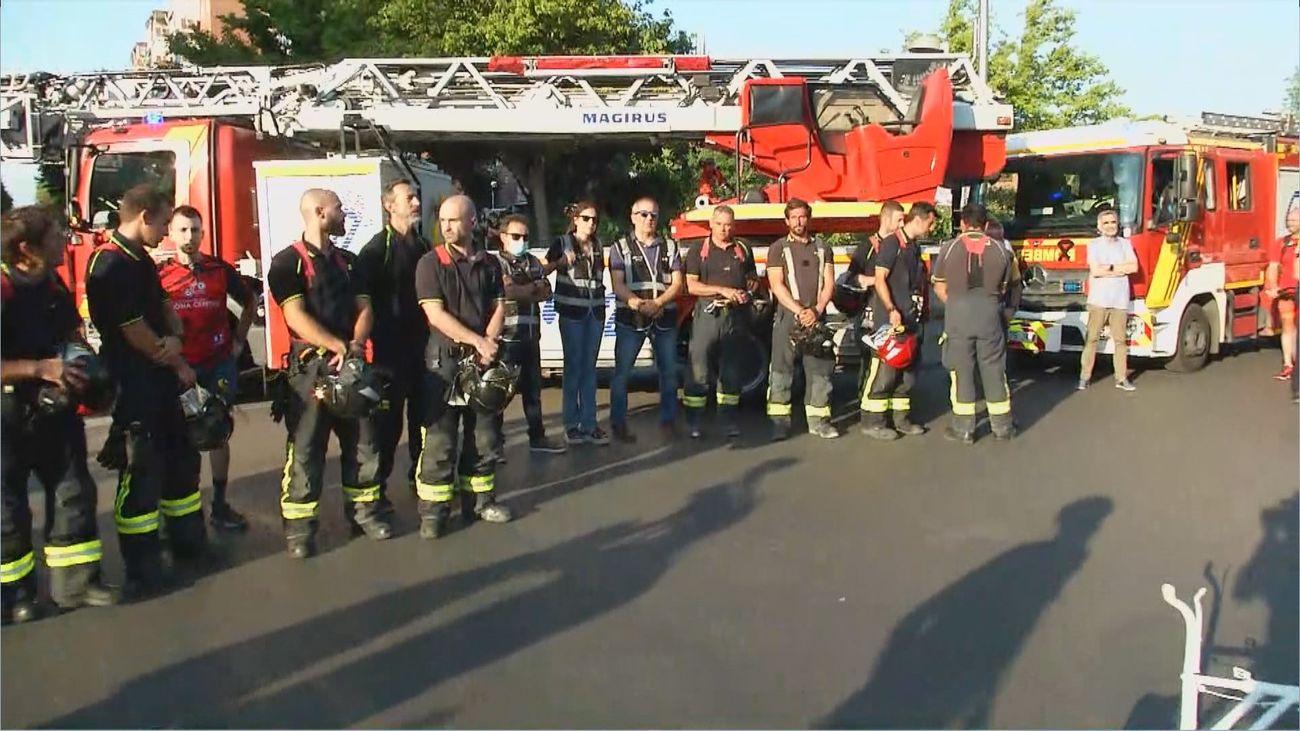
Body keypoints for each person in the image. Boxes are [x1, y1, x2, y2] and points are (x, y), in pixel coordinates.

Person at [85, 185, 205, 595]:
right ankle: (142, 563)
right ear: (144, 217)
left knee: (179, 458)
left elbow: (163, 307)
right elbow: (132, 329)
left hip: (159, 378)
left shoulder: (141, 261)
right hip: (134, 380)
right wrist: (176, 360)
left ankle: (187, 539)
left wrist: (175, 336)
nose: (169, 234)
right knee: (140, 471)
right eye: (165, 222)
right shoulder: (110, 264)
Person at [1, 206, 119, 623]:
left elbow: (71, 335)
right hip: (9, 413)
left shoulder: (52, 284)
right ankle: (14, 596)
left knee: (73, 492)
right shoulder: (2, 287)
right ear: (26, 248)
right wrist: (38, 369)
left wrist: (88, 369)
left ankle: (77, 584)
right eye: (55, 235)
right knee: (7, 507)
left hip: (57, 407)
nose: (64, 242)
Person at [265, 188, 389, 559]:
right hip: (311, 370)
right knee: (305, 448)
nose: (343, 213)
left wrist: (353, 345)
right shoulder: (286, 263)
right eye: (338, 208)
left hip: (351, 362)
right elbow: (295, 317)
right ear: (320, 213)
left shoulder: (350, 262)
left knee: (365, 442)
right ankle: (300, 531)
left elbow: (365, 307)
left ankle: (365, 512)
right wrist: (334, 345)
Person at [413, 195, 513, 539]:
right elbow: (435, 315)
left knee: (483, 437)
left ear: (472, 222)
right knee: (440, 440)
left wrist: (488, 343)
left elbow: (500, 306)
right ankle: (434, 513)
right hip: (444, 363)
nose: (447, 227)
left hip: (480, 361)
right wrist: (478, 342)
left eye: (454, 220)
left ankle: (481, 501)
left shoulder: (489, 264)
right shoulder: (430, 263)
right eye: (443, 221)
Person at [157, 205, 257, 532]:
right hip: (181, 368)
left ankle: (220, 504)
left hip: (217, 363)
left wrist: (239, 341)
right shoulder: (160, 276)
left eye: (195, 230)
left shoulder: (218, 269)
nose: (190, 236)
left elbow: (250, 302)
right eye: (183, 230)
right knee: (181, 438)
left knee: (216, 431)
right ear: (170, 233)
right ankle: (181, 510)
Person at [354, 180, 432, 498]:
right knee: (387, 427)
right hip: (388, 354)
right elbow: (362, 306)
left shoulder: (424, 247)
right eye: (409, 198)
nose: (415, 202)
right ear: (389, 206)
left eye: (417, 196)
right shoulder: (375, 251)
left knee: (424, 419)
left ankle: (423, 478)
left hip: (424, 350)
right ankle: (377, 491)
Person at [931, 203, 1020, 443]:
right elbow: (1009, 287)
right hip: (990, 315)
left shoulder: (949, 249)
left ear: (962, 223)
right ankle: (1003, 427)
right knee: (994, 370)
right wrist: (1005, 310)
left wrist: (956, 304)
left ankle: (964, 429)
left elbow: (939, 285)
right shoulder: (1003, 252)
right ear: (987, 224)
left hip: (958, 316)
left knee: (963, 371)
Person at [860, 201, 937, 440]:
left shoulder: (913, 247)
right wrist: (891, 309)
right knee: (884, 374)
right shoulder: (892, 244)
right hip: (890, 321)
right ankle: (873, 422)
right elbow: (880, 279)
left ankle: (901, 420)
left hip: (911, 322)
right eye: (931, 223)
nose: (932, 228)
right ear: (919, 220)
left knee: (908, 375)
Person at [609, 196, 684, 442]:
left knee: (669, 372)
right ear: (633, 217)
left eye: (653, 215)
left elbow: (677, 284)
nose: (649, 219)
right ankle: (619, 423)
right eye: (643, 214)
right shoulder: (619, 248)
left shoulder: (670, 247)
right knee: (622, 373)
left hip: (664, 316)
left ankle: (668, 421)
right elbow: (617, 285)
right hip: (632, 318)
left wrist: (659, 303)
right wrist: (641, 305)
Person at [489, 213, 566, 455]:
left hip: (531, 336)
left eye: (525, 236)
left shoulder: (532, 261)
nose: (521, 240)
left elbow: (546, 290)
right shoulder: (495, 263)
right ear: (502, 238)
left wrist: (527, 289)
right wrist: (531, 288)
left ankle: (538, 437)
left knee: (533, 391)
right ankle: (494, 444)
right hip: (507, 338)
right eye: (516, 236)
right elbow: (508, 292)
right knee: (500, 393)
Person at [683, 205, 758, 439]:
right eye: (720, 224)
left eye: (728, 224)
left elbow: (752, 278)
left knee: (732, 370)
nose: (724, 229)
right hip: (708, 313)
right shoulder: (699, 249)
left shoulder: (743, 248)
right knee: (699, 369)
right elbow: (692, 285)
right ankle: (694, 422)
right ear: (711, 224)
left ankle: (728, 421)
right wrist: (723, 291)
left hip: (735, 316)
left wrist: (750, 291)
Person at [766, 198, 838, 441]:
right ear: (787, 220)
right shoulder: (778, 248)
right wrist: (799, 311)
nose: (798, 221)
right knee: (781, 370)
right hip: (789, 317)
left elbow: (829, 283)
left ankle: (819, 422)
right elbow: (776, 284)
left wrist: (816, 310)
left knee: (820, 371)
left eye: (802, 216)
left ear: (808, 218)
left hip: (816, 317)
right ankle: (779, 424)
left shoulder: (822, 247)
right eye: (793, 217)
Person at [544, 201, 609, 446]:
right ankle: (571, 425)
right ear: (575, 220)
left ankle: (589, 424)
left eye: (594, 219)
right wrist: (560, 263)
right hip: (572, 313)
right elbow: (542, 270)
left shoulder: (599, 245)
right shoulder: (561, 242)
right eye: (585, 218)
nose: (590, 223)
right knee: (573, 367)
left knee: (589, 368)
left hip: (595, 313)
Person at [847, 200, 905, 396]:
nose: (902, 225)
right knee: (871, 362)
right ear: (885, 219)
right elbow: (851, 278)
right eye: (899, 220)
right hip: (870, 314)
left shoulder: (902, 247)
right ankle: (866, 403)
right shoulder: (868, 247)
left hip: (894, 313)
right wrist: (877, 280)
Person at [1078, 208, 1138, 392]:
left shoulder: (1125, 244)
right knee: (1092, 339)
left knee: (1120, 341)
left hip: (1120, 301)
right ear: (1099, 226)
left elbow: (1134, 267)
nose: (1110, 226)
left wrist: (1109, 268)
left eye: (1113, 222)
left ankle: (1121, 378)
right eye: (1106, 223)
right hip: (1099, 301)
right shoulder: (1093, 245)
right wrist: (1120, 268)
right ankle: (1084, 377)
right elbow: (1096, 271)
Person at [1264, 208, 1299, 381]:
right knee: (1287, 326)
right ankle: (1288, 365)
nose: (1290, 222)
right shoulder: (1281, 243)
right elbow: (1273, 266)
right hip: (1286, 293)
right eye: (1289, 219)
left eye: (1294, 220)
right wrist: (1273, 286)